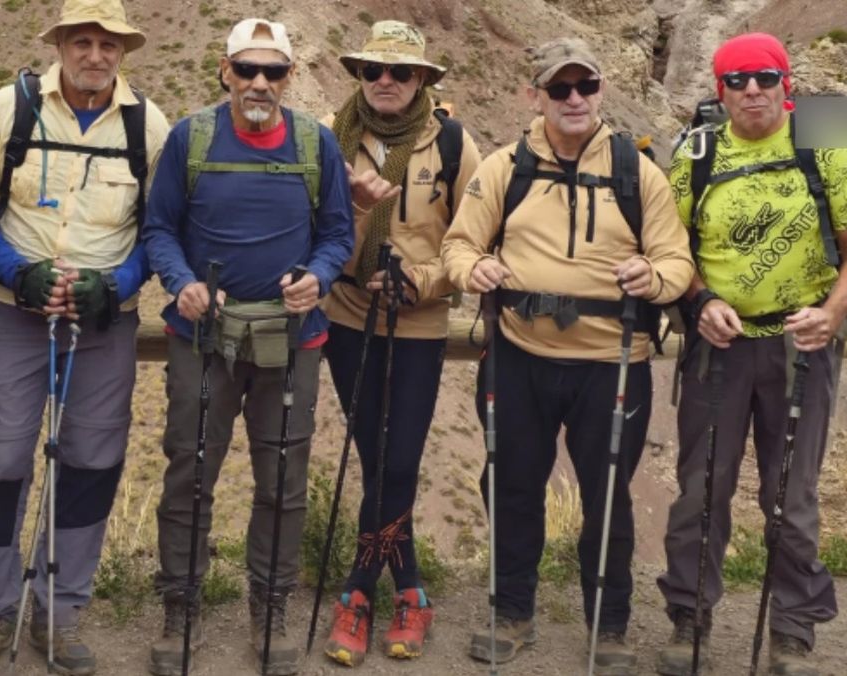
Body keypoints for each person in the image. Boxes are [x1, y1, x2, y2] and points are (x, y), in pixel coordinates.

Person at [440, 37, 693, 673]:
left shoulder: (641, 174)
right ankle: (511, 612)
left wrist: (654, 280)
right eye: (560, 88)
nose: (574, 99)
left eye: (586, 86)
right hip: (519, 355)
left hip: (614, 361)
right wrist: (476, 271)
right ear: (536, 96)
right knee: (512, 485)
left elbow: (676, 261)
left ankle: (608, 628)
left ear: (601, 91)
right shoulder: (504, 167)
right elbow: (458, 245)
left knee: (607, 494)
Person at [0, 0, 169, 673]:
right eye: (83, 41)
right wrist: (17, 271)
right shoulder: (8, 109)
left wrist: (121, 285)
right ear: (62, 45)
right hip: (16, 311)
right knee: (4, 455)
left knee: (91, 464)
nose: (95, 55)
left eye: (108, 44)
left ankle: (60, 611)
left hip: (103, 322)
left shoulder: (146, 124)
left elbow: (159, 227)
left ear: (123, 51)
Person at [141, 17, 354, 676]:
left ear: (290, 78)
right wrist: (180, 284)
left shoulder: (317, 146)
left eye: (275, 71)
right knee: (190, 474)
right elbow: (160, 227)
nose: (260, 82)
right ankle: (181, 609)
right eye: (247, 68)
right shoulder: (191, 138)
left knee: (284, 483)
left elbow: (338, 235)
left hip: (292, 341)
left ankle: (272, 609)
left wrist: (318, 277)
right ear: (225, 72)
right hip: (203, 338)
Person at [655, 32, 845, 676]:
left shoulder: (827, 138)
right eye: (737, 81)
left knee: (791, 494)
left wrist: (832, 313)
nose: (752, 90)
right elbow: (669, 246)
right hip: (719, 346)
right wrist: (700, 300)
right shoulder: (699, 152)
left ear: (786, 82)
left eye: (765, 77)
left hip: (802, 344)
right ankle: (689, 616)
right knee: (700, 487)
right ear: (720, 90)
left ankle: (792, 630)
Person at [318, 19, 482, 667]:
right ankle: (407, 591)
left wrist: (423, 279)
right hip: (347, 319)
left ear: (422, 80)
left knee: (399, 462)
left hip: (417, 324)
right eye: (373, 71)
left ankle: (362, 592)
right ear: (360, 76)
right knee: (381, 458)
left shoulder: (454, 144)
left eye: (401, 72)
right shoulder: (331, 141)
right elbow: (316, 226)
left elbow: (471, 240)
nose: (385, 82)